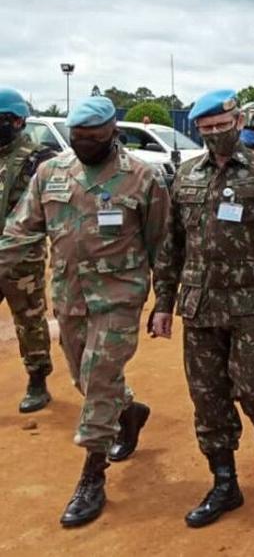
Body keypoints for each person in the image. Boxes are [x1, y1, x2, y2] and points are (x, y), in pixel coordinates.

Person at [0, 95, 169, 527]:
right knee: (83, 376)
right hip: (69, 296)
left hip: (119, 296)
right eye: (77, 137)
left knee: (100, 375)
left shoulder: (142, 178)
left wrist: (164, 300)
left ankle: (93, 474)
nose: (83, 144)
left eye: (93, 137)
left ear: (112, 133)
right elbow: (20, 230)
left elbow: (161, 244)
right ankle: (128, 412)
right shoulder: (51, 172)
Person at [151, 89, 254, 528]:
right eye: (207, 129)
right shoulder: (186, 176)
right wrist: (163, 303)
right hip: (200, 305)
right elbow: (171, 245)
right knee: (207, 398)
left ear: (239, 122)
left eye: (223, 126)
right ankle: (224, 482)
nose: (216, 134)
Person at [0, 87, 56, 413]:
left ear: (19, 121)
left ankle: (37, 380)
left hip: (22, 257)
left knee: (29, 318)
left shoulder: (40, 159)